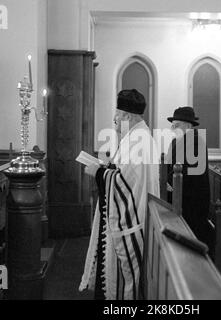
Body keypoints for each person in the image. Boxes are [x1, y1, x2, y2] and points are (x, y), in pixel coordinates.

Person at [79, 89, 159, 300]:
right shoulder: (136, 136)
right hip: (132, 217)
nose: (115, 120)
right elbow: (126, 174)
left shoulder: (138, 139)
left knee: (122, 286)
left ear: (127, 116)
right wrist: (106, 168)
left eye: (117, 115)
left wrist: (98, 172)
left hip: (129, 223)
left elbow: (126, 183)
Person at [165, 106, 214, 256]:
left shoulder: (196, 142)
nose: (173, 128)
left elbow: (188, 172)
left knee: (192, 239)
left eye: (176, 125)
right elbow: (169, 166)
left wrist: (169, 183)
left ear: (188, 126)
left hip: (192, 200)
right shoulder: (176, 141)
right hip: (178, 196)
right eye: (172, 125)